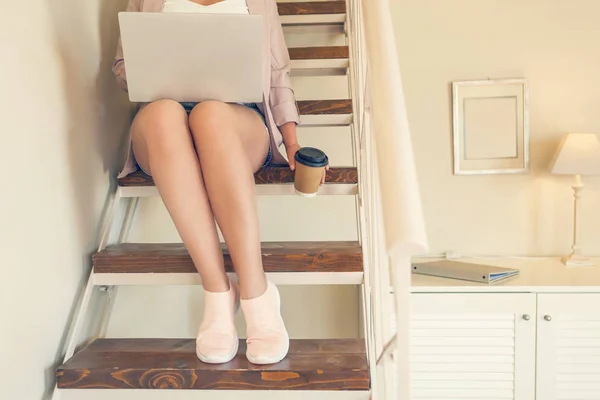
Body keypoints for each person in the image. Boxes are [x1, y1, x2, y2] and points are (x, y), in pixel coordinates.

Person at [113, 0, 325, 365]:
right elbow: (122, 67)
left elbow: (277, 76)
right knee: (164, 114)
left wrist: (291, 142)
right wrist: (151, 65)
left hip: (236, 121)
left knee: (211, 112)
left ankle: (257, 292)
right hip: (164, 126)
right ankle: (216, 290)